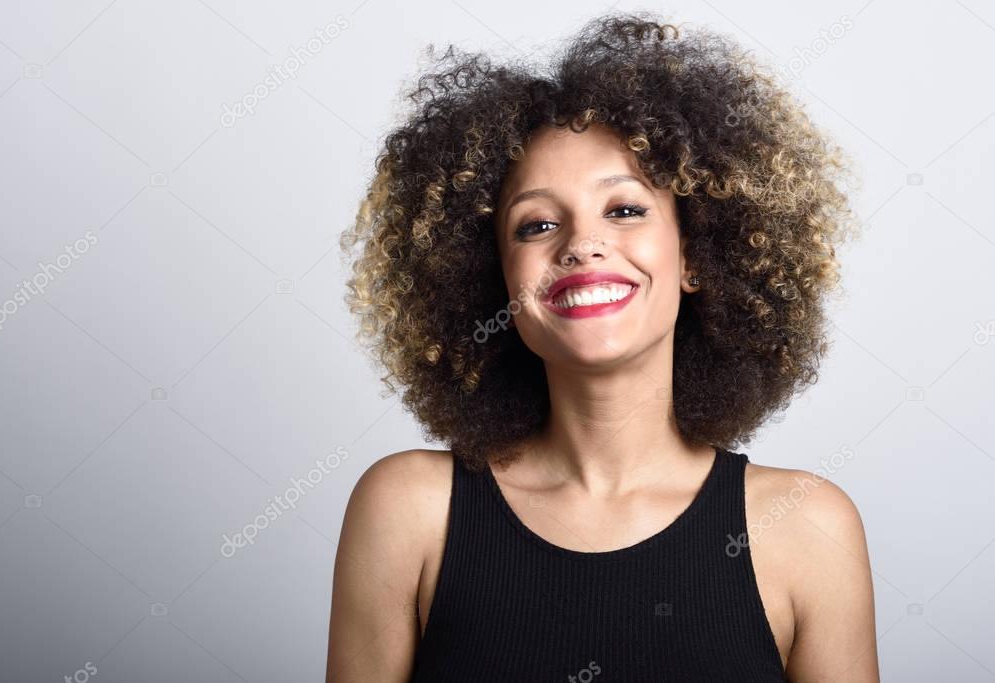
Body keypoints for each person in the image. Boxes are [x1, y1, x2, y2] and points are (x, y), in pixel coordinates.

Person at [327, 11, 878, 682]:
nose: (581, 244)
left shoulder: (806, 528)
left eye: (623, 209)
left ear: (694, 256)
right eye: (536, 224)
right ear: (493, 280)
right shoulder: (408, 509)